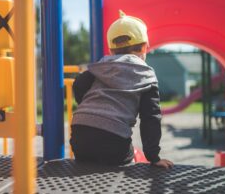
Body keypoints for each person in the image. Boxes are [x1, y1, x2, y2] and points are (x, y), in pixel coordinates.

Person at [70, 10, 173, 169]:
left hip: (79, 135)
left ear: (111, 50)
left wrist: (88, 106)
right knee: (128, 159)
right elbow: (150, 117)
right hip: (113, 140)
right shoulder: (146, 74)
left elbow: (78, 84)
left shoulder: (100, 66)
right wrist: (153, 156)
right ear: (145, 47)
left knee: (87, 164)